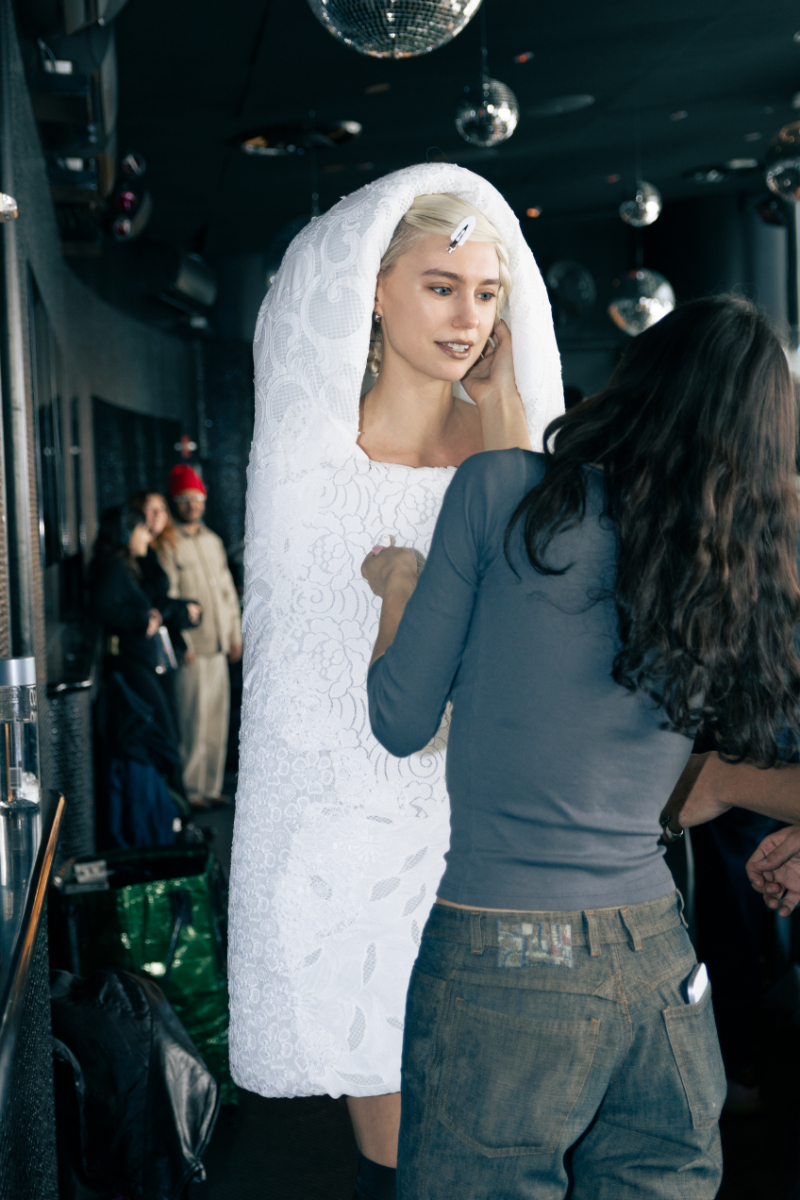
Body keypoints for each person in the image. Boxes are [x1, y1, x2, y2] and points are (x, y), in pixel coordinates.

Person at [361, 295, 800, 1199]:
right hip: (658, 960)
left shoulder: (497, 490)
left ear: (635, 382)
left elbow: (401, 718)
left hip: (507, 951)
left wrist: (398, 585)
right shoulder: (731, 563)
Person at [228, 163, 563, 1198]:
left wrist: (504, 413)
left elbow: (541, 610)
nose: (468, 317)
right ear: (374, 291)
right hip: (347, 816)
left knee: (510, 1124)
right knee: (396, 1138)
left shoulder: (509, 439)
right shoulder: (307, 448)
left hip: (486, 815)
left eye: (487, 293)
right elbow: (290, 659)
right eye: (441, 286)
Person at [160, 465, 242, 809]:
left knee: (216, 720)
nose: (192, 504)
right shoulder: (168, 543)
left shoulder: (213, 541)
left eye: (196, 497)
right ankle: (192, 791)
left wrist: (235, 635)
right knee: (192, 721)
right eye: (184, 498)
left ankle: (211, 787)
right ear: (174, 502)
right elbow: (169, 597)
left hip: (219, 646)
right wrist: (183, 644)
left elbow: (227, 593)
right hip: (193, 649)